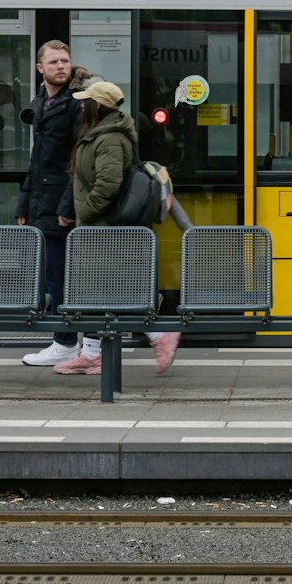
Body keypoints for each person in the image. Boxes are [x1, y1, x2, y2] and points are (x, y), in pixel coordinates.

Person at [51, 79, 181, 377]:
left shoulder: (109, 138)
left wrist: (84, 211)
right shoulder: (99, 133)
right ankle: (93, 354)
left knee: (108, 291)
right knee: (99, 292)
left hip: (105, 228)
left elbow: (108, 184)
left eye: (86, 101)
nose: (81, 105)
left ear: (98, 106)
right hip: (97, 226)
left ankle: (159, 335)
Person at [16, 41, 86, 368]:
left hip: (61, 203)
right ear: (40, 68)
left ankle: (66, 341)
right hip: (42, 200)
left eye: (65, 60)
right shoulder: (41, 103)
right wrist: (24, 204)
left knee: (61, 275)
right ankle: (66, 340)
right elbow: (37, 160)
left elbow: (79, 160)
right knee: (52, 274)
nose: (61, 65)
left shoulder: (75, 105)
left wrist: (67, 207)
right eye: (54, 61)